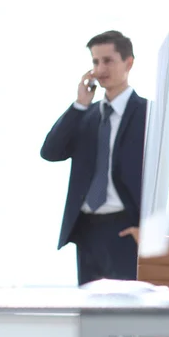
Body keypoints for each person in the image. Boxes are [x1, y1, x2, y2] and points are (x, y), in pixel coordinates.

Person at [41, 30, 147, 285]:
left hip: (126, 230)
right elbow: (50, 152)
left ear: (128, 63)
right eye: (95, 62)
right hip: (87, 230)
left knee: (127, 317)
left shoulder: (148, 114)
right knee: (91, 317)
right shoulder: (86, 116)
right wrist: (80, 104)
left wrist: (151, 230)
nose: (100, 69)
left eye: (108, 61)